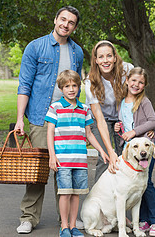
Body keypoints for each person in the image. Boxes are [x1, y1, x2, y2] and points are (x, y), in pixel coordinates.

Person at [15, 6, 84, 234]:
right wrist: (19, 120)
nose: (66, 24)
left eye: (71, 22)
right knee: (38, 171)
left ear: (74, 26)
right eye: (62, 19)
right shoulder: (35, 47)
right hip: (39, 118)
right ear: (55, 19)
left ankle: (64, 219)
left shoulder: (77, 53)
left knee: (65, 169)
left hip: (67, 119)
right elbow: (24, 85)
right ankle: (28, 217)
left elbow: (76, 87)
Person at [45, 70, 109, 237]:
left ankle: (73, 226)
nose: (71, 89)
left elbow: (89, 134)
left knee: (76, 194)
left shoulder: (84, 109)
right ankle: (64, 226)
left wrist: (101, 150)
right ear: (61, 88)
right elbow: (50, 133)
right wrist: (52, 155)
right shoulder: (55, 107)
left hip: (80, 160)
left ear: (79, 87)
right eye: (67, 86)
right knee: (65, 194)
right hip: (63, 160)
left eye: (74, 85)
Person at [114, 67, 155, 237]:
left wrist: (135, 132)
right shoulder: (120, 101)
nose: (136, 84)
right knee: (135, 187)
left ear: (145, 85)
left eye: (141, 82)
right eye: (133, 80)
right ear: (127, 80)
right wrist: (117, 127)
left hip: (144, 150)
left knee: (146, 184)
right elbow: (124, 124)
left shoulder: (144, 102)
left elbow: (153, 121)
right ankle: (143, 220)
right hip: (130, 152)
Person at [84, 40, 133, 182]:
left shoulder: (127, 70)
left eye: (109, 56)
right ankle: (100, 197)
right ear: (96, 60)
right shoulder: (90, 82)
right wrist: (110, 151)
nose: (105, 60)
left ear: (115, 58)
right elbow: (99, 119)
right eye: (101, 57)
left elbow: (138, 97)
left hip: (120, 117)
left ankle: (121, 194)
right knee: (106, 155)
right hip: (99, 119)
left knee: (123, 155)